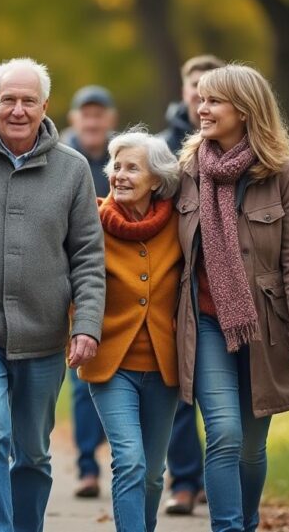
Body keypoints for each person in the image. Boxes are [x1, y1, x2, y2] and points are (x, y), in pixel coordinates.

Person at [0, 57, 105, 532]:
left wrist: (88, 325)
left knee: (32, 453)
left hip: (44, 332)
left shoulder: (73, 170)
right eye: (8, 99)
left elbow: (90, 257)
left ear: (44, 106)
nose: (17, 109)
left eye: (27, 100)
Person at [175, 64, 289, 532]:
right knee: (223, 433)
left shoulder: (283, 173)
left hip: (266, 328)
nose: (202, 109)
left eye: (213, 101)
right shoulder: (184, 171)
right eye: (200, 99)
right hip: (207, 323)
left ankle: (248, 520)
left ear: (245, 109)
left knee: (252, 447)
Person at [78, 128, 182, 532]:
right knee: (130, 461)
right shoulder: (90, 220)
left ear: (156, 179)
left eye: (132, 168)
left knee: (154, 472)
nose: (119, 175)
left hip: (163, 365)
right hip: (110, 363)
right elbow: (77, 280)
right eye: (116, 166)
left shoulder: (178, 225)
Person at [159, 54, 224, 515]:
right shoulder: (163, 146)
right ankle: (183, 481)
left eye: (209, 86)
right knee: (178, 391)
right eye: (194, 85)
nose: (200, 94)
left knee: (223, 408)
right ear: (184, 90)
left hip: (222, 294)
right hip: (174, 286)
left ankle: (213, 483)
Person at [63, 84, 116, 497]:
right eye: (86, 114)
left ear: (109, 119)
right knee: (81, 378)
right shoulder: (63, 158)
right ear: (74, 119)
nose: (93, 121)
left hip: (120, 282)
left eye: (100, 114)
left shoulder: (124, 158)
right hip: (72, 285)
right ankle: (87, 467)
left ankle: (124, 459)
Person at [158, 55, 225, 156]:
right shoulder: (160, 147)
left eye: (210, 84)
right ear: (184, 93)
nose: (202, 91)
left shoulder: (241, 144)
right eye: (195, 84)